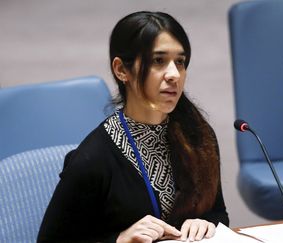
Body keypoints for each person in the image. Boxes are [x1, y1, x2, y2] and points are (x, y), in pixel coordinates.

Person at [37, 11, 229, 243]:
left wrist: (207, 222)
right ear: (121, 70)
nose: (174, 74)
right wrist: (119, 240)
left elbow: (219, 213)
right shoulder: (93, 159)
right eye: (159, 61)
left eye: (180, 61)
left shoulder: (198, 137)